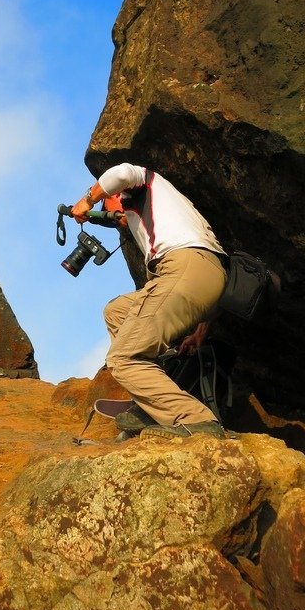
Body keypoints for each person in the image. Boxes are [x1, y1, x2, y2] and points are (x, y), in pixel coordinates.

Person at [71, 162, 228, 439]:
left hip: (184, 268)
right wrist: (200, 332)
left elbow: (120, 174)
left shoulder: (146, 181)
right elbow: (203, 280)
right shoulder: (175, 213)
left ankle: (196, 420)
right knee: (117, 311)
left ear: (117, 194)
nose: (112, 215)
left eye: (109, 207)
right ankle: (154, 401)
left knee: (122, 358)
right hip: (204, 277)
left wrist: (87, 200)